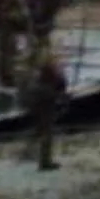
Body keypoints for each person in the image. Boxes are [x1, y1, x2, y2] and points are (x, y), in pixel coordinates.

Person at [24, 36, 66, 171]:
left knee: (40, 128)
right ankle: (44, 161)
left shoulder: (34, 59)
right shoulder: (48, 60)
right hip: (46, 96)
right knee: (47, 131)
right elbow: (57, 79)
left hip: (36, 95)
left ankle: (31, 154)